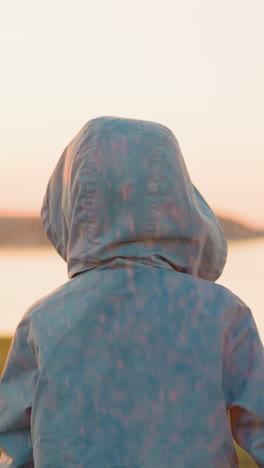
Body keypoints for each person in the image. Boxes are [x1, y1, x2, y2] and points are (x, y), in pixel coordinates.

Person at [0, 116, 264, 467]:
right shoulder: (222, 314)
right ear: (180, 197)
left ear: (72, 199)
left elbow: (14, 447)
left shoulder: (44, 322)